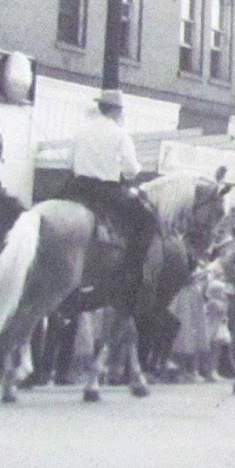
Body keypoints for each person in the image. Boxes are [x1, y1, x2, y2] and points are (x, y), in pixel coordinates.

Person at [62, 89, 153, 308]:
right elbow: (131, 169)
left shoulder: (81, 131)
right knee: (146, 222)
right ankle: (130, 275)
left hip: (77, 187)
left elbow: (70, 163)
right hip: (106, 191)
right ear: (117, 111)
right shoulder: (120, 134)